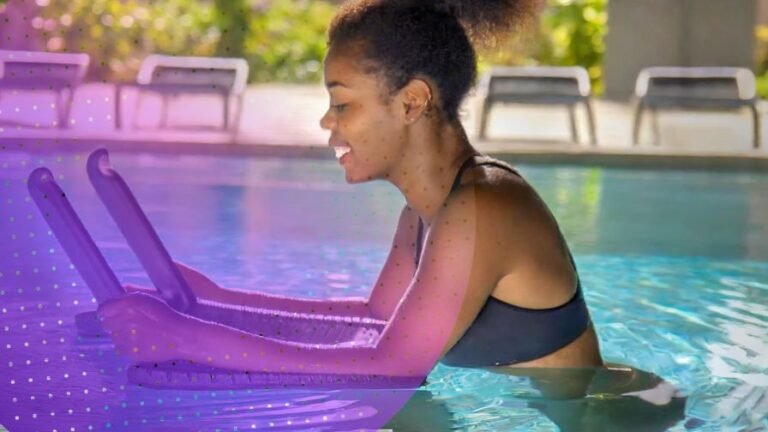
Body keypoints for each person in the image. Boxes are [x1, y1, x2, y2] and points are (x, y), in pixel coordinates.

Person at [98, 0, 603, 380]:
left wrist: (188, 337)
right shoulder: (430, 211)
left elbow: (390, 365)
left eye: (342, 104)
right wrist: (213, 303)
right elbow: (374, 321)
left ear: (411, 102)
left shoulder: (484, 206)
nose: (326, 120)